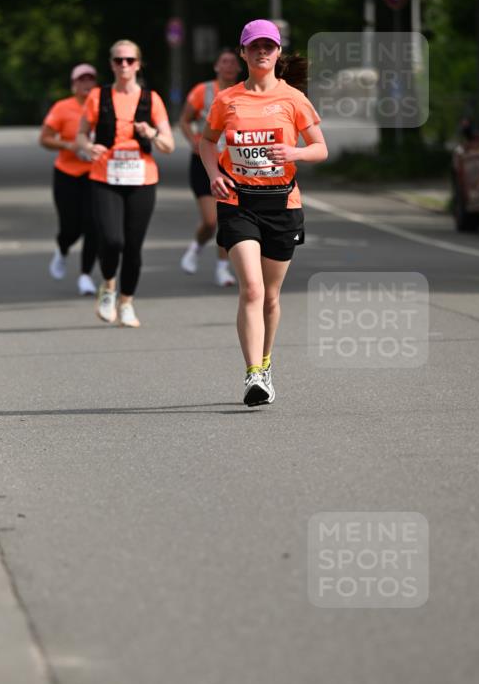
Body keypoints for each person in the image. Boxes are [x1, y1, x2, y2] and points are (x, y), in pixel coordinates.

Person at [199, 20, 328, 406]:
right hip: (238, 202)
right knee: (251, 288)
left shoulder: (293, 99)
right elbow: (206, 142)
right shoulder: (227, 99)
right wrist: (213, 176)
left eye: (269, 47)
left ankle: (266, 362)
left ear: (277, 53)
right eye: (254, 46)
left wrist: (296, 153)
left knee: (271, 295)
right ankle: (253, 374)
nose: (262, 52)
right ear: (242, 53)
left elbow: (320, 147)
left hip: (282, 204)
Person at [75, 39, 174, 327]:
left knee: (132, 246)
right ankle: (108, 286)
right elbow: (81, 135)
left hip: (142, 179)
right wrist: (87, 147)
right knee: (111, 239)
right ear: (111, 64)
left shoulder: (151, 99)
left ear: (138, 64)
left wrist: (152, 132)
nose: (124, 65)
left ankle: (127, 302)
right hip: (105, 176)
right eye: (118, 60)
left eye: (130, 60)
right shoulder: (98, 96)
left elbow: (168, 144)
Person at [179, 48, 241, 286]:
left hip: (233, 162)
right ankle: (195, 248)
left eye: (232, 62)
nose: (227, 66)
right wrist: (193, 140)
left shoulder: (243, 92)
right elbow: (184, 120)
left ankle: (222, 269)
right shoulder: (202, 91)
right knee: (211, 221)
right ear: (216, 66)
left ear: (238, 67)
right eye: (223, 62)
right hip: (203, 162)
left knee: (226, 219)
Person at [39, 63, 99, 296]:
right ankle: (63, 249)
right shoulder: (62, 107)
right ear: (73, 84)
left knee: (93, 225)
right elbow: (44, 138)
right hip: (67, 174)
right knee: (70, 227)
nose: (86, 84)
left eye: (90, 79)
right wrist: (68, 145)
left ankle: (85, 275)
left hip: (96, 175)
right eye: (81, 80)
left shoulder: (102, 107)